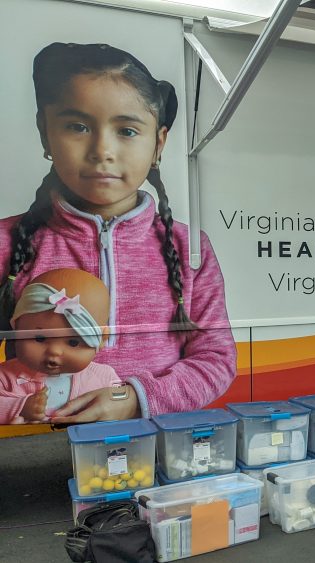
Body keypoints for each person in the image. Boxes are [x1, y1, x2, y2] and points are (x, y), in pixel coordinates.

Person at [0, 42, 236, 423]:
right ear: (46, 132)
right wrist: (15, 407)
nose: (102, 150)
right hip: (38, 448)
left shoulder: (189, 248)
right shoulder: (7, 243)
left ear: (158, 143)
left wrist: (135, 399)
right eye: (77, 126)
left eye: (126, 130)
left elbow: (216, 359)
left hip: (155, 442)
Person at [0, 269, 121, 424]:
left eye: (73, 342)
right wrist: (20, 407)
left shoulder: (104, 377)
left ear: (102, 339)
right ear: (16, 328)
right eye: (40, 338)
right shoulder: (5, 376)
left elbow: (123, 410)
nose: (54, 351)